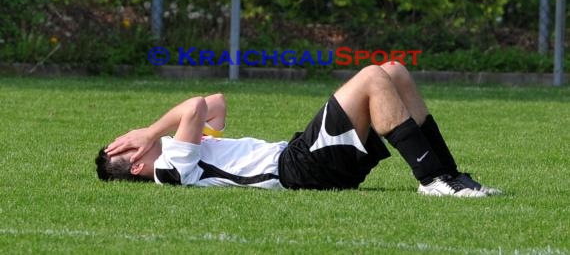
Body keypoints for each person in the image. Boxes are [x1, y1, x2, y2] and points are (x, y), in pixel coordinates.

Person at [96, 63, 501, 197]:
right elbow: (194, 107)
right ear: (135, 166)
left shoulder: (188, 149)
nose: (132, 138)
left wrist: (152, 133)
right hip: (297, 169)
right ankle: (431, 180)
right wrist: (150, 132)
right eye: (126, 147)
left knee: (394, 71)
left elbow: (215, 102)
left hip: (304, 161)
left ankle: (450, 177)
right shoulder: (170, 170)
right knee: (373, 76)